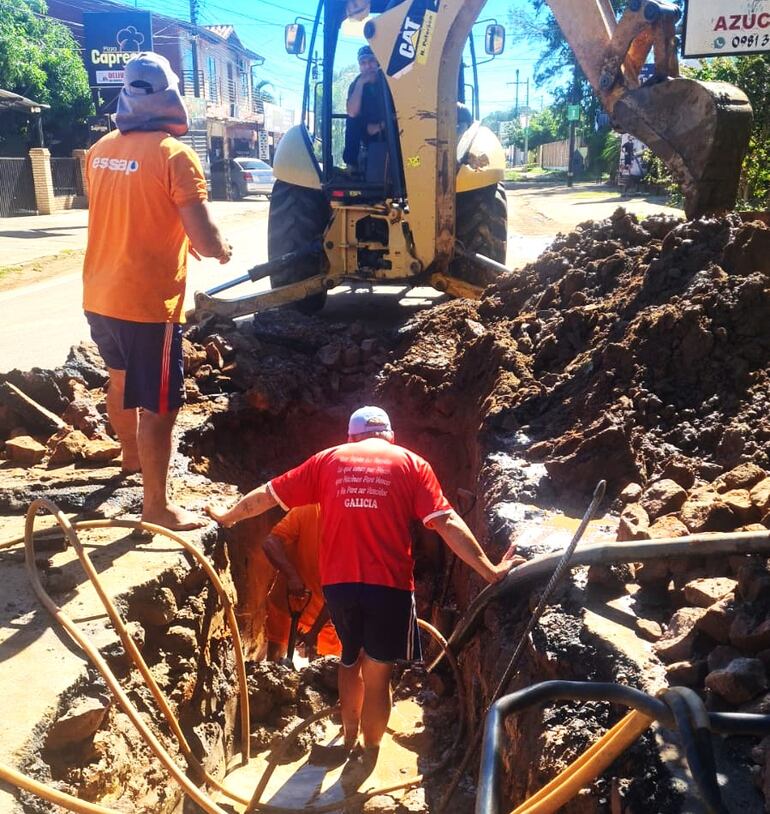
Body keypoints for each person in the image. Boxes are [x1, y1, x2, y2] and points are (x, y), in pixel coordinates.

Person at [205, 406, 522, 767]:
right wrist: (490, 570)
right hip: (389, 587)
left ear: (351, 437)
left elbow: (266, 495)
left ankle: (349, 737)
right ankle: (369, 753)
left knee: (349, 661)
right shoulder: (411, 463)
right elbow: (446, 521)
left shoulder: (327, 460)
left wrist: (227, 516)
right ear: (389, 435)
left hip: (339, 586)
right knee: (378, 672)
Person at [83, 52, 232, 531]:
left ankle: (130, 459)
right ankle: (156, 506)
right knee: (161, 406)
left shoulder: (100, 148)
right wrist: (221, 249)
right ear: (170, 94)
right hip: (148, 303)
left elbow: (123, 212)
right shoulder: (175, 155)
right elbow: (205, 241)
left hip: (101, 292)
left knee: (120, 377)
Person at [263, 504, 341, 661]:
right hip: (287, 607)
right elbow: (270, 542)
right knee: (274, 667)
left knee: (324, 673)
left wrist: (314, 632)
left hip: (328, 619)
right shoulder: (309, 509)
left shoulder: (357, 527)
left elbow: (341, 592)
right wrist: (292, 576)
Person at [343, 46, 387, 169]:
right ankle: (351, 166)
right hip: (366, 130)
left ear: (378, 62)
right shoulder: (356, 84)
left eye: (371, 61)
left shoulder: (389, 82)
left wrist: (382, 126)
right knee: (352, 121)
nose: (367, 66)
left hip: (389, 127)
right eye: (363, 63)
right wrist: (360, 84)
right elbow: (352, 112)